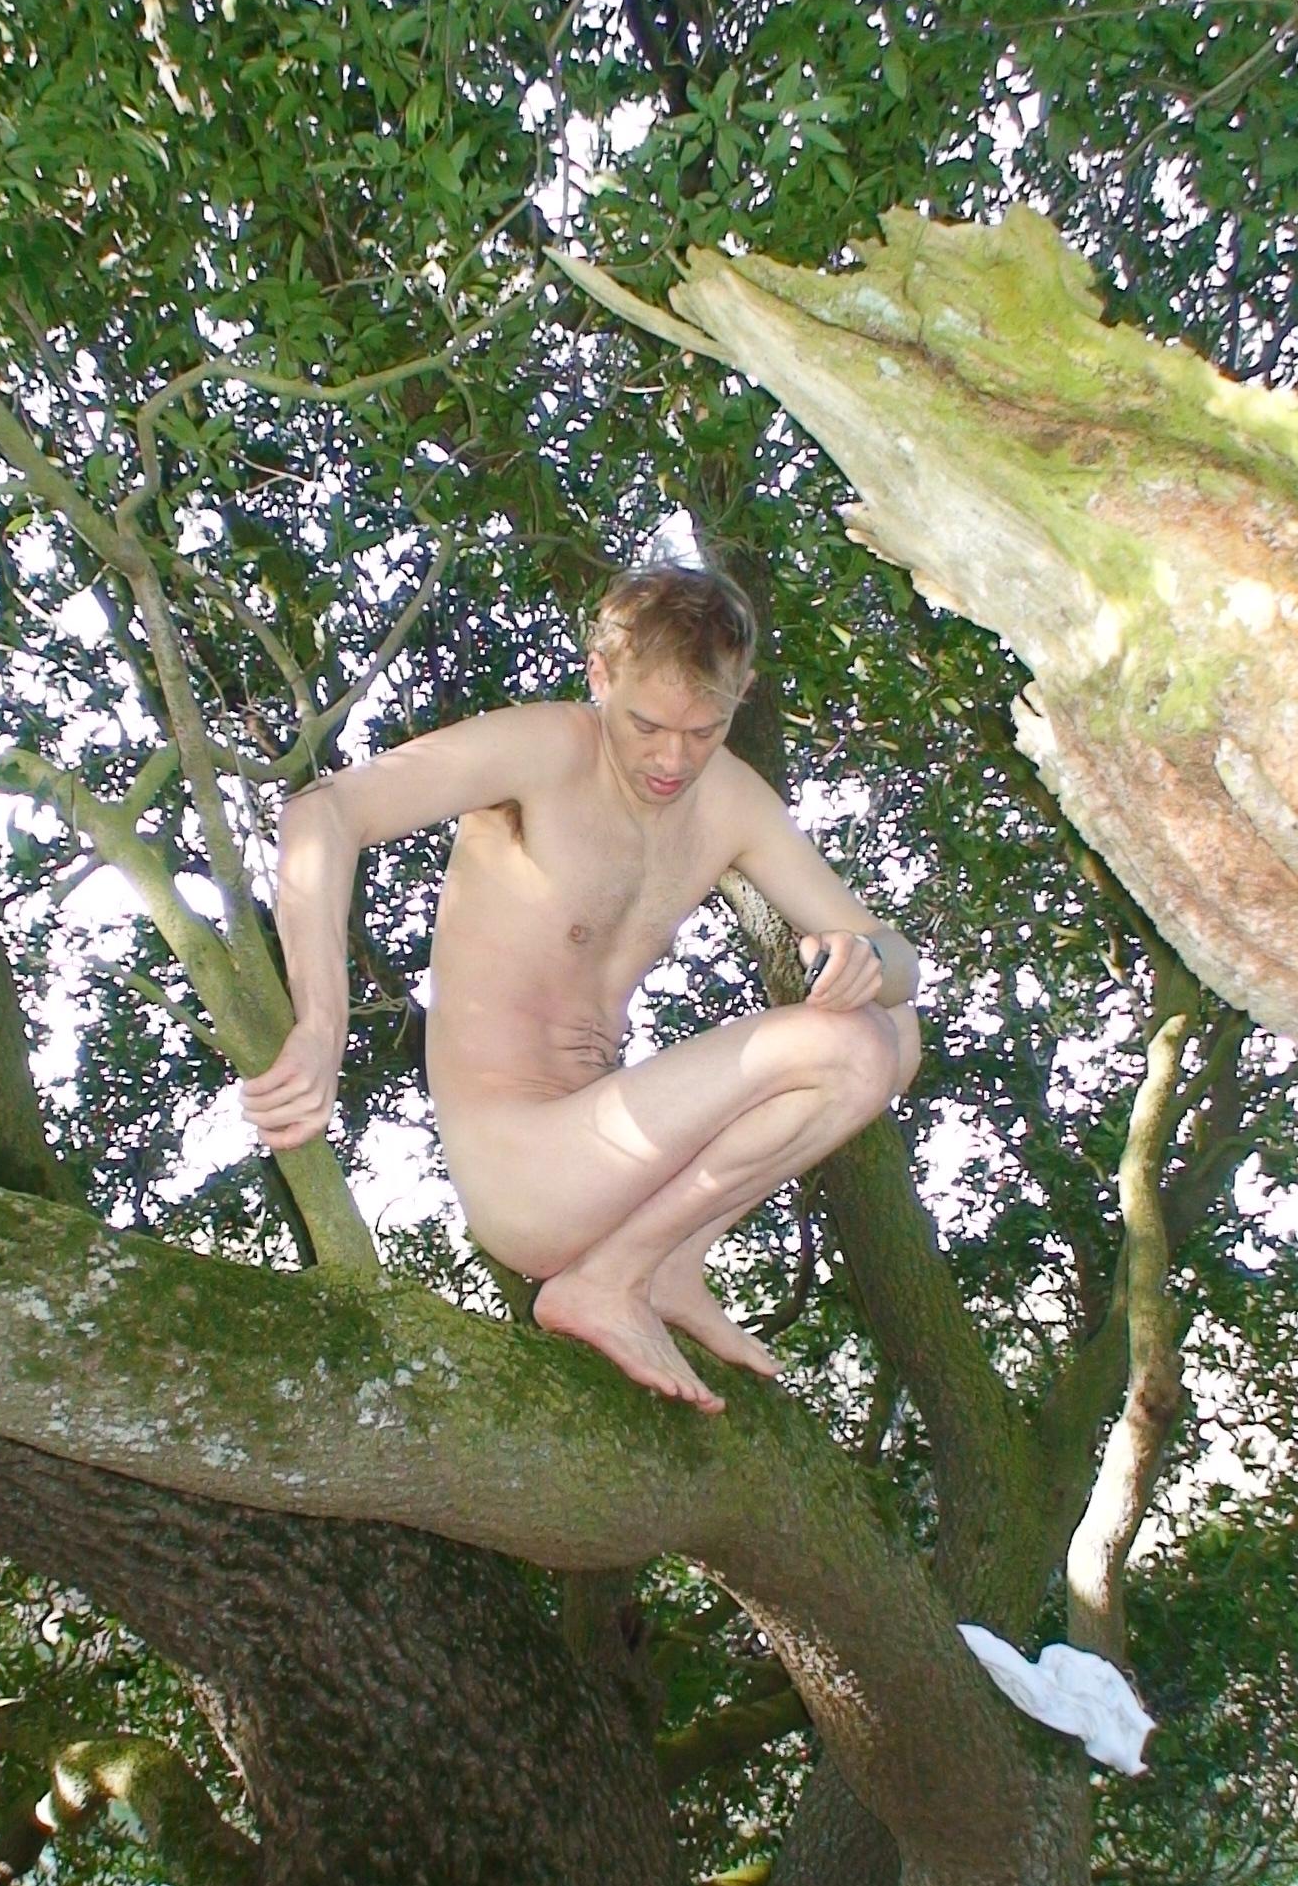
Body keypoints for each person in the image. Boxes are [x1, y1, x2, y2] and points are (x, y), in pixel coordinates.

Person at [242, 566, 921, 1413]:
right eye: (646, 725)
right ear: (601, 676)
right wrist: (320, 1026)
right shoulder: (546, 749)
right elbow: (322, 811)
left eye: (703, 730)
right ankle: (609, 1281)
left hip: (621, 1164)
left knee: (894, 1032)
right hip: (527, 1172)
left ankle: (665, 1261)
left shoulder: (733, 802)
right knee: (850, 1046)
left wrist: (868, 958)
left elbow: (899, 959)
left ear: (741, 696)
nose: (672, 759)